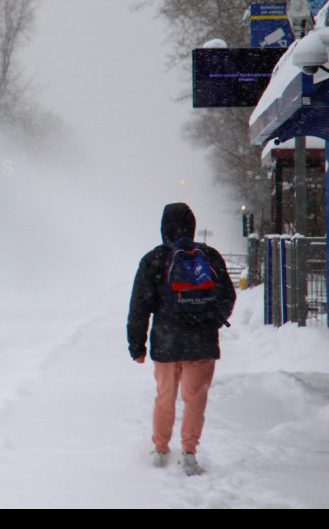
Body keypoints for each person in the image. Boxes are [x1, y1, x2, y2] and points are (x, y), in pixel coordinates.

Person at [127, 202, 236, 476]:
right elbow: (227, 296)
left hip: (166, 341)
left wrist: (136, 345)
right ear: (193, 226)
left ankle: (161, 450)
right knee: (195, 398)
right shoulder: (208, 256)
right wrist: (209, 321)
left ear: (163, 228)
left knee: (165, 396)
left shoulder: (154, 259)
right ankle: (189, 453)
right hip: (202, 342)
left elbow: (139, 305)